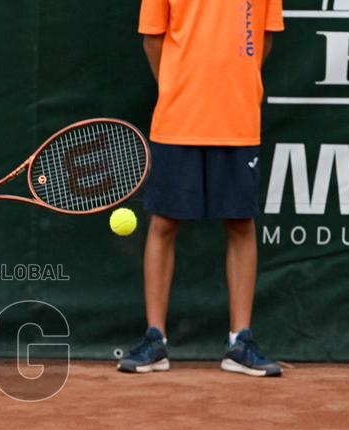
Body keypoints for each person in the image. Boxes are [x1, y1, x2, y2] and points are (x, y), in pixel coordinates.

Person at [118, 0, 284, 377]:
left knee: (242, 224)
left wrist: (232, 87)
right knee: (163, 223)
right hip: (179, 117)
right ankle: (155, 340)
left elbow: (264, 39)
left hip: (238, 117)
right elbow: (152, 41)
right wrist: (182, 88)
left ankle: (240, 342)